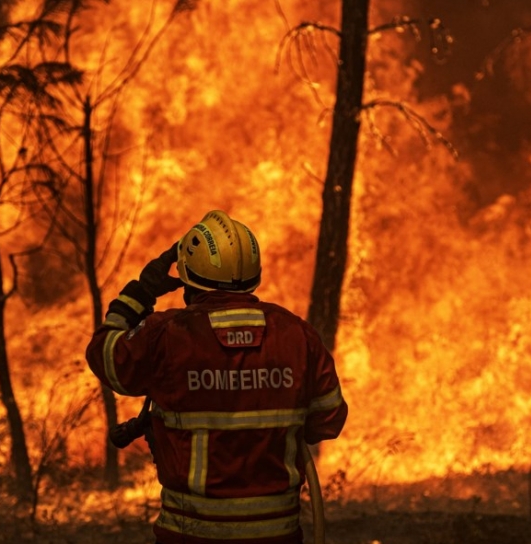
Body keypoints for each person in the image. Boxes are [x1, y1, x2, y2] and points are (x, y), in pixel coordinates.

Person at [86, 210, 348, 544]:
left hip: (188, 537)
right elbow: (328, 420)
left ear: (187, 281)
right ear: (255, 275)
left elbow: (104, 356)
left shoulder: (167, 335)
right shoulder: (297, 335)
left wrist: (139, 293)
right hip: (277, 536)